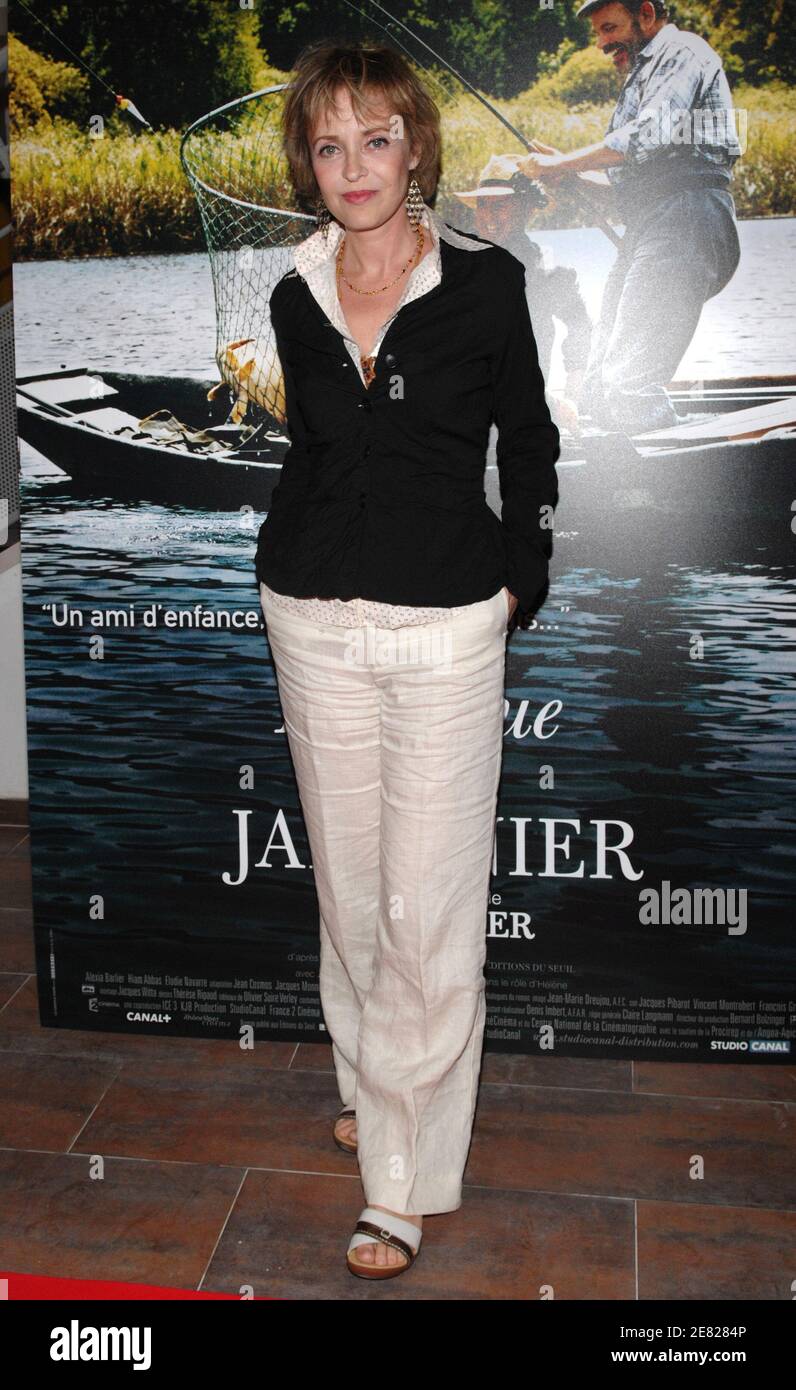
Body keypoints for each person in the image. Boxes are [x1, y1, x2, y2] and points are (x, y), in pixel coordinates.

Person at [254, 40, 559, 1278]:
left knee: (426, 913)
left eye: (375, 138)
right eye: (329, 144)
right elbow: (317, 454)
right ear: (308, 162)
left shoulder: (486, 285)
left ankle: (401, 1179)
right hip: (311, 620)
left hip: (444, 630)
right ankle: (372, 1087)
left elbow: (529, 441)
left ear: (415, 147)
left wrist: (520, 573)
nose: (353, 166)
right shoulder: (293, 292)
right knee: (349, 895)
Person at [486, 0, 742, 433]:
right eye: (599, 33)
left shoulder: (682, 52)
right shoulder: (643, 73)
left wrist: (561, 163)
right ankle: (617, 454)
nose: (602, 43)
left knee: (628, 384)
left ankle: (668, 461)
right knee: (599, 390)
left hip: (688, 220)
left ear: (646, 14)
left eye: (609, 28)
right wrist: (571, 174)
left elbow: (647, 135)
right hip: (658, 224)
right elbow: (628, 183)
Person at [452, 170, 591, 433]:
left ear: (524, 211)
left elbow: (581, 326)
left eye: (500, 206)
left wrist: (570, 397)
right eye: (483, 205)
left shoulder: (546, 273)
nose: (488, 216)